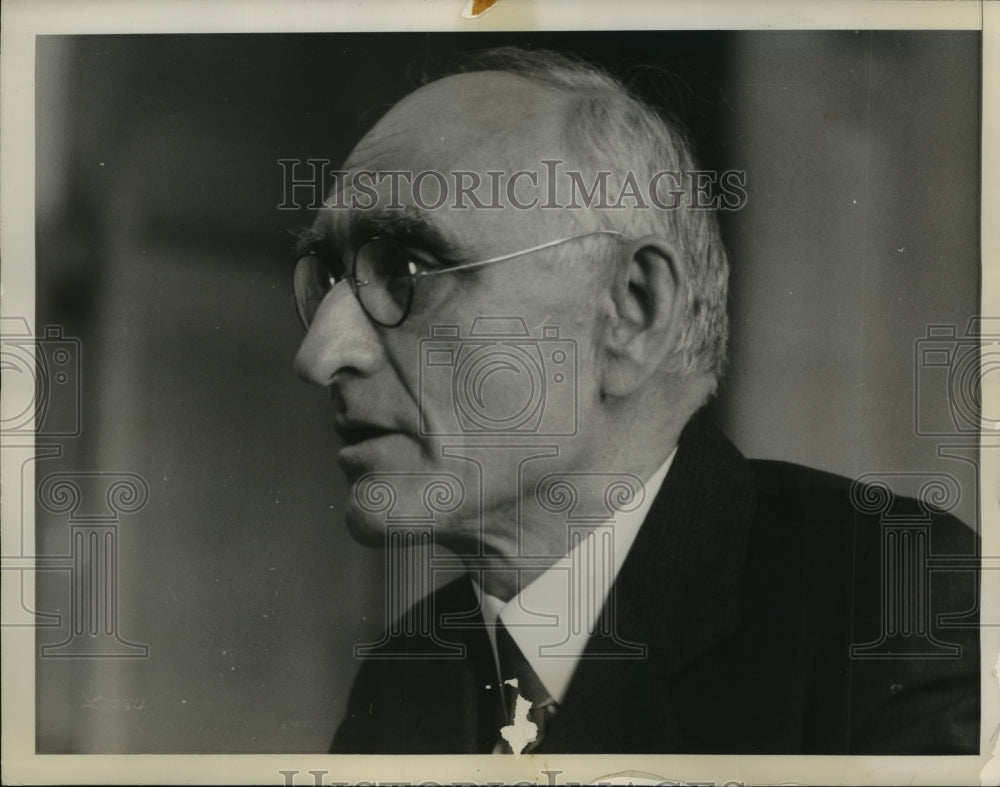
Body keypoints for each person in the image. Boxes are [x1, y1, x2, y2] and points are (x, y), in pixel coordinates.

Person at [291, 47, 979, 754]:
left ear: (632, 312)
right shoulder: (406, 680)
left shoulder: (893, 610)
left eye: (406, 269)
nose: (320, 353)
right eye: (330, 279)